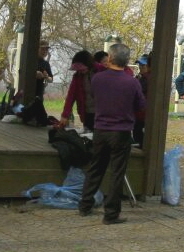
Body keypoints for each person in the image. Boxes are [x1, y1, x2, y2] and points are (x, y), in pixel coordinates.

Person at [79, 43, 145, 224]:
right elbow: (141, 106)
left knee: (95, 168)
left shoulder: (98, 79)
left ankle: (85, 205)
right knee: (117, 172)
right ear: (127, 61)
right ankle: (111, 214)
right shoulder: (132, 82)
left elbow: (93, 96)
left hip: (100, 129)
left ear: (109, 58)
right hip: (121, 132)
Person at [58, 50, 103, 131]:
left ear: (88, 64)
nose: (80, 71)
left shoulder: (102, 71)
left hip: (103, 114)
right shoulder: (77, 77)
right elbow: (71, 97)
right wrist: (65, 116)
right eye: (78, 69)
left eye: (81, 68)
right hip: (87, 114)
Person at [133, 53, 151, 148]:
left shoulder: (147, 79)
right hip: (138, 114)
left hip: (143, 114)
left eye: (143, 65)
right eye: (139, 65)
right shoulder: (140, 78)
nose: (140, 67)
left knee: (140, 138)